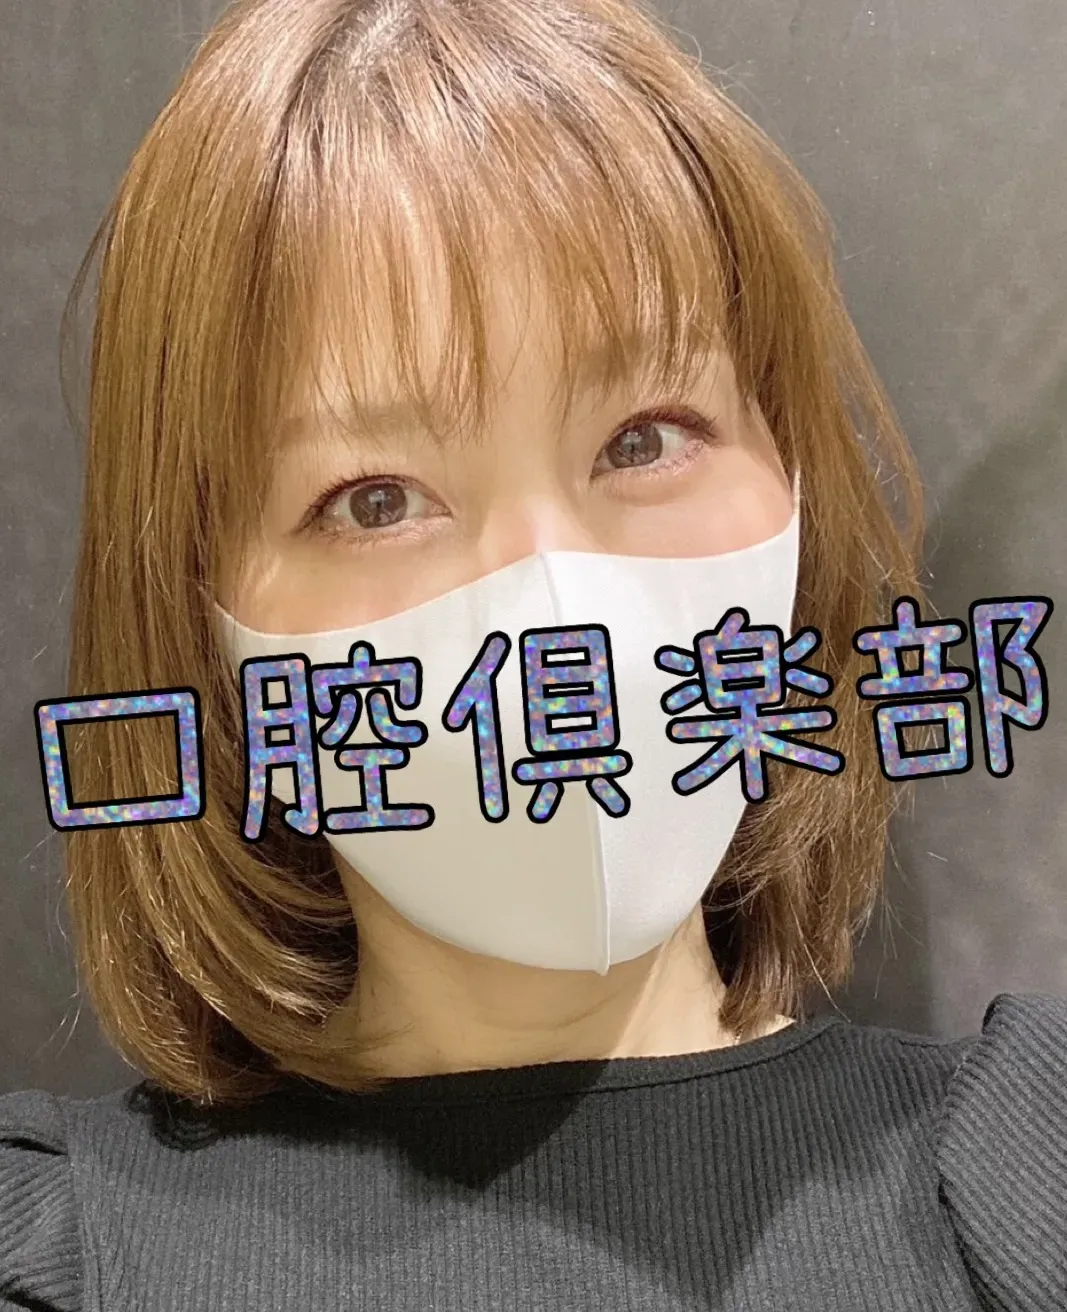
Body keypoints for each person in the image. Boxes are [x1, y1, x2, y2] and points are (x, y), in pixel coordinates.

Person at [2, 0, 1064, 1308]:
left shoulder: (1025, 1179)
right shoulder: (67, 1260)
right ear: (203, 616)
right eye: (375, 500)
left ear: (791, 472)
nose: (554, 617)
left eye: (644, 438)